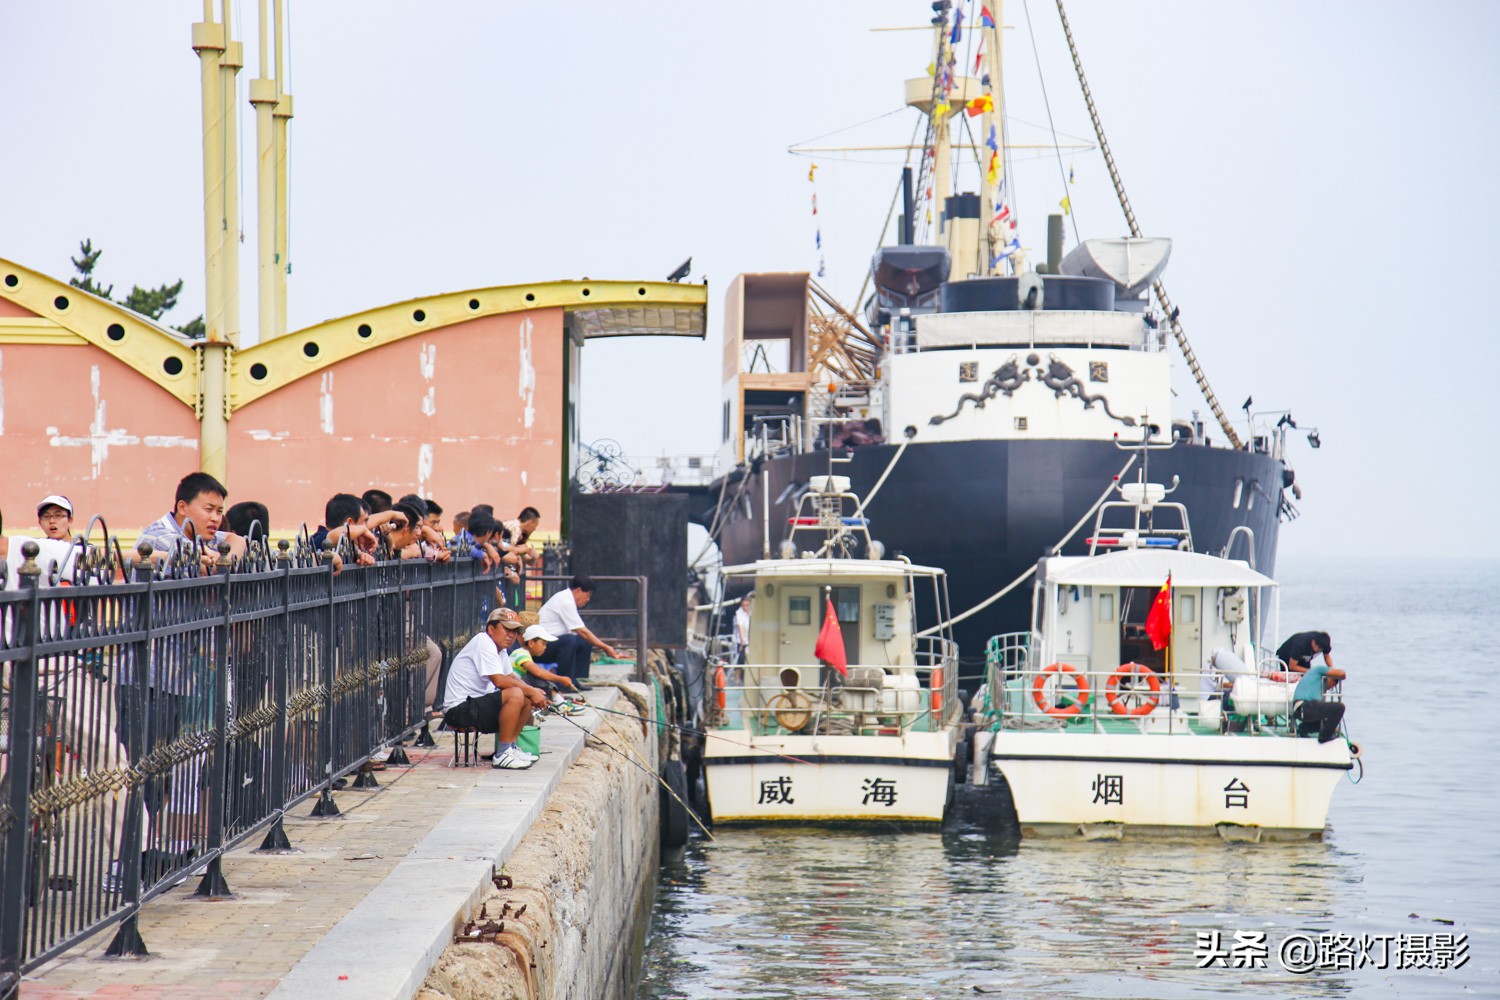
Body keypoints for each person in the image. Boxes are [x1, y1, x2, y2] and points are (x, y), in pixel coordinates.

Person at [440, 608, 548, 770]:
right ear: (491, 629)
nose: (511, 635)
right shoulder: (483, 641)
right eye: (507, 629)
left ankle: (510, 748)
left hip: (475, 707)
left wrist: (534, 692)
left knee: (525, 696)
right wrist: (530, 691)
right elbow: (499, 680)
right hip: (459, 711)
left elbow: (511, 677)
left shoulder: (500, 650)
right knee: (516, 693)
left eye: (515, 631)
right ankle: (502, 754)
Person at [137, 471, 246, 569]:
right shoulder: (159, 537)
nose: (215, 518)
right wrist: (222, 559)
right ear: (182, 508)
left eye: (219, 512)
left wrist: (224, 559)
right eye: (208, 509)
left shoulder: (201, 534)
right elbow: (211, 567)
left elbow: (238, 540)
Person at [537, 575, 618, 680]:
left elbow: (582, 634)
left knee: (583, 642)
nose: (588, 600)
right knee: (569, 641)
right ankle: (565, 682)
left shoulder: (567, 598)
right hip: (541, 647)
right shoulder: (565, 601)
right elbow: (582, 631)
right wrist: (605, 648)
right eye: (587, 596)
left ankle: (579, 679)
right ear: (579, 591)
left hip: (552, 643)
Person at [512, 624, 580, 700]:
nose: (545, 647)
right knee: (536, 677)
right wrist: (561, 679)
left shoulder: (524, 654)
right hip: (514, 687)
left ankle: (555, 698)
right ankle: (558, 701)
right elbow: (538, 672)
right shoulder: (521, 653)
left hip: (518, 687)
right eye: (543, 644)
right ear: (531, 643)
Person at [1291, 660, 1347, 743]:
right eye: (1332, 685)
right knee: (1339, 707)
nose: (1329, 688)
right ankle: (1324, 737)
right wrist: (1338, 671)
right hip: (1304, 707)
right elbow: (1342, 674)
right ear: (1330, 679)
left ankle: (1303, 729)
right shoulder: (1318, 670)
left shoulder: (1315, 686)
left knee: (1326, 723)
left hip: (1301, 711)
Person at [733, 594, 752, 664]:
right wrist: (742, 640)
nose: (745, 607)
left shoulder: (751, 612)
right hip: (740, 641)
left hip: (750, 640)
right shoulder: (739, 613)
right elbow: (740, 626)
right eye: (743, 605)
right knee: (739, 662)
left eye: (747, 605)